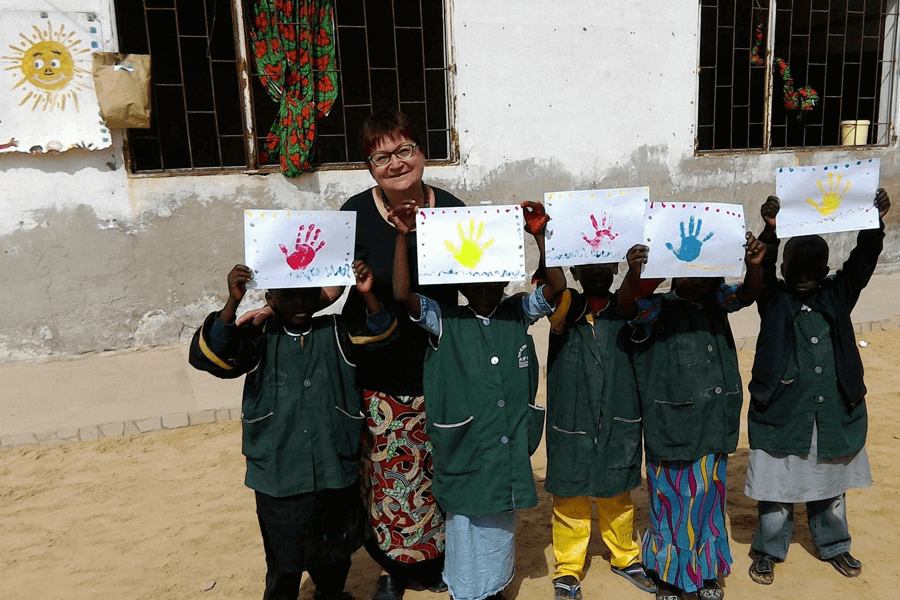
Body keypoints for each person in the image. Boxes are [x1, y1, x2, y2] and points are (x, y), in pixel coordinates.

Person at [239, 109, 464, 599]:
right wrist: (275, 313)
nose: (396, 163)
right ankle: (389, 566)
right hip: (377, 363)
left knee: (436, 463)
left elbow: (470, 281)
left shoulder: (451, 209)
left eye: (405, 150)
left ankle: (432, 558)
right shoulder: (355, 214)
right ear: (369, 167)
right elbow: (330, 286)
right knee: (384, 472)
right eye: (382, 156)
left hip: (441, 360)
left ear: (422, 152)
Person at [391, 200, 567, 600]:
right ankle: (466, 589)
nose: (485, 289)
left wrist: (540, 234)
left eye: (493, 281)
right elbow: (403, 294)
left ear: (505, 281)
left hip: (504, 446)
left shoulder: (518, 311)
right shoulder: (443, 319)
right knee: (465, 524)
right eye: (476, 282)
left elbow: (556, 289)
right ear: (461, 284)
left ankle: (493, 586)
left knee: (500, 524)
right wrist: (403, 237)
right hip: (465, 446)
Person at [189, 260, 396, 600]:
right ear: (271, 298)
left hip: (334, 466)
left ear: (319, 297)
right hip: (278, 472)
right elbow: (212, 357)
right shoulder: (258, 338)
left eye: (306, 296)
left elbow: (382, 335)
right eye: (289, 296)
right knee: (284, 562)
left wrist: (368, 294)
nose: (299, 304)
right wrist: (233, 303)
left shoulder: (337, 332)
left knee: (335, 555)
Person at [744, 189, 891, 585]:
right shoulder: (772, 298)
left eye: (814, 272)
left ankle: (834, 545)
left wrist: (873, 223)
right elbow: (760, 266)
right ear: (784, 270)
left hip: (832, 410)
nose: (805, 280)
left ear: (827, 270)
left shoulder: (838, 294)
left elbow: (862, 262)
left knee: (831, 482)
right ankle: (768, 548)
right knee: (776, 486)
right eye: (796, 272)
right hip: (783, 410)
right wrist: (771, 231)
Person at [620, 233, 766, 600]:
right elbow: (625, 308)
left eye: (706, 270)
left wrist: (754, 266)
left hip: (713, 422)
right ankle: (668, 574)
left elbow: (747, 294)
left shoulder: (719, 302)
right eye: (688, 271)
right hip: (669, 427)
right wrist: (637, 273)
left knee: (708, 499)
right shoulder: (655, 306)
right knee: (669, 500)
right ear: (673, 271)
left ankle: (706, 572)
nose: (698, 278)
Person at [544, 248, 661, 600]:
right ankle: (568, 567)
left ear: (615, 266)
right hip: (572, 418)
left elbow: (630, 298)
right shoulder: (565, 307)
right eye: (585, 264)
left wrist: (637, 268)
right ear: (574, 271)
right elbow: (554, 287)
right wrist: (543, 242)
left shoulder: (630, 310)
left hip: (617, 418)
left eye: (604, 262)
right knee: (569, 496)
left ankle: (624, 557)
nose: (596, 270)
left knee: (617, 492)